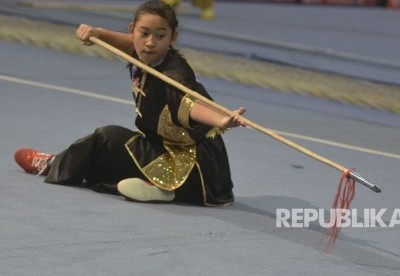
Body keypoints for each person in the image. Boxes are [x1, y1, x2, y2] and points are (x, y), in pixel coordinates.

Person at [14, 0, 246, 207]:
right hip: (162, 148)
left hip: (195, 166)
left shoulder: (173, 76)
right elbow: (130, 44)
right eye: (144, 33)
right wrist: (98, 33)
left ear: (173, 37)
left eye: (160, 35)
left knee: (108, 140)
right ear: (132, 30)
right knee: (109, 143)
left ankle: (164, 189)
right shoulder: (147, 53)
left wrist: (222, 119)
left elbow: (192, 104)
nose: (150, 43)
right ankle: (57, 164)